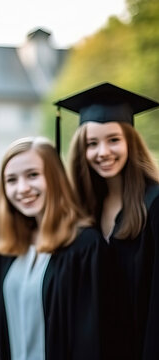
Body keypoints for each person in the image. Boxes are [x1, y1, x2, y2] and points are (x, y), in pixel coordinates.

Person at [61, 82, 159, 359]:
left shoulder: (154, 204)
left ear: (131, 141)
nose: (102, 152)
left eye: (113, 140)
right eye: (92, 143)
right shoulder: (83, 209)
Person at [0, 137, 102, 360]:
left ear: (55, 178)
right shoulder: (15, 248)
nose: (22, 188)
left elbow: (91, 337)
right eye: (11, 180)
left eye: (33, 175)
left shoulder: (84, 245)